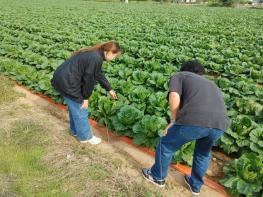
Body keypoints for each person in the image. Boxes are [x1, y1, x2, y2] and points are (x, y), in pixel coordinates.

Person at [141, 60, 229, 195]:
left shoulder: (180, 75)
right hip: (220, 124)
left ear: (184, 70)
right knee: (203, 153)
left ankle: (157, 177)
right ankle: (195, 185)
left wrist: (174, 120)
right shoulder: (211, 84)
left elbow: (174, 95)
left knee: (166, 145)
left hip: (195, 119)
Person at [51, 41, 121, 145]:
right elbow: (89, 80)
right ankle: (85, 137)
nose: (114, 59)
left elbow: (97, 73)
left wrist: (109, 89)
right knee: (81, 109)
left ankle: (75, 131)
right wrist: (85, 98)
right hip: (68, 82)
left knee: (74, 108)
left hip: (62, 78)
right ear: (110, 52)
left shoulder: (95, 53)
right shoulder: (96, 58)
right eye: (115, 56)